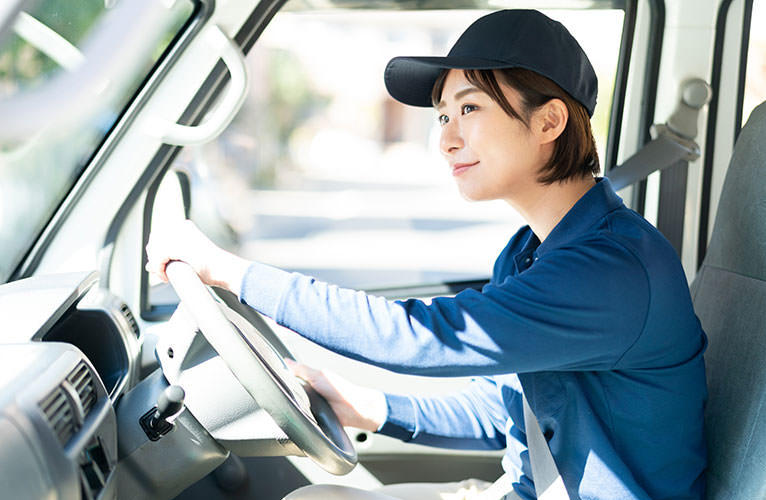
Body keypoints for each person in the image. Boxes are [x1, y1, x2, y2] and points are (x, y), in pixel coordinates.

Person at [146, 9, 708, 500]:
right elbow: (505, 411)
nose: (445, 138)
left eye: (469, 109)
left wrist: (230, 271)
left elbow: (424, 338)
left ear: (549, 121)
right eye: (442, 116)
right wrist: (370, 408)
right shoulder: (530, 253)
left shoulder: (611, 269)